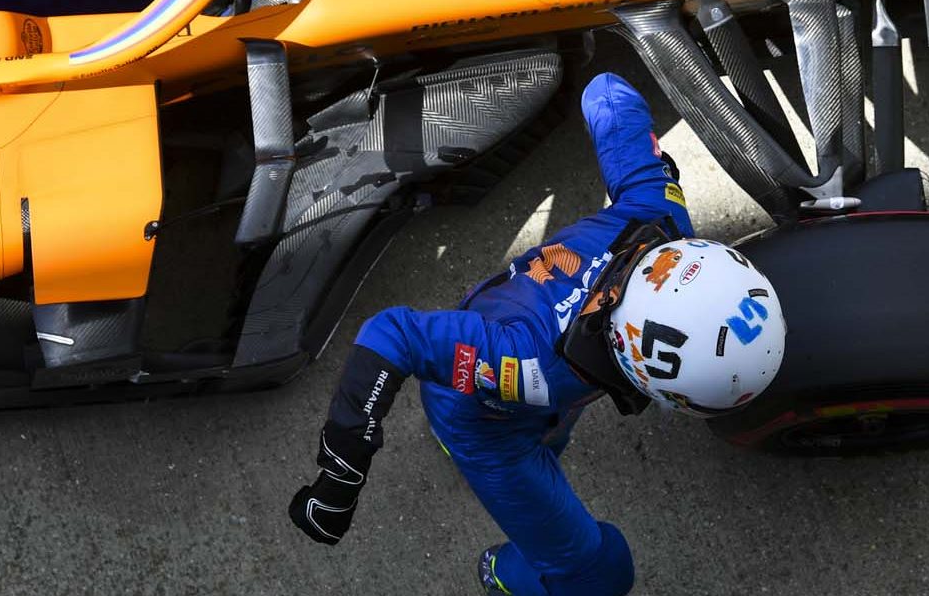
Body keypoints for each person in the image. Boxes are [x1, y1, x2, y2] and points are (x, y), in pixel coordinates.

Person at [289, 72, 787, 595]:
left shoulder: (660, 215)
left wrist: (649, 159)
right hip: (486, 424)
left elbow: (608, 91)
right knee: (600, 574)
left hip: (495, 344)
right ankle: (507, 576)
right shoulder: (528, 365)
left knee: (548, 426)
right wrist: (340, 472)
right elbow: (390, 335)